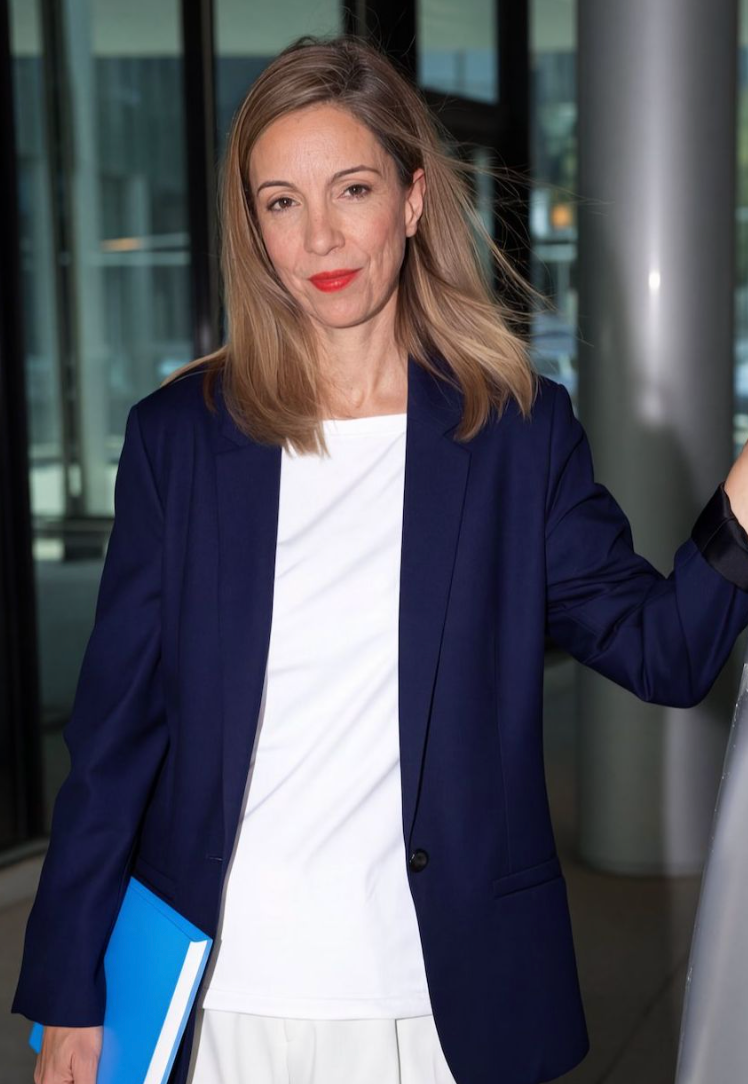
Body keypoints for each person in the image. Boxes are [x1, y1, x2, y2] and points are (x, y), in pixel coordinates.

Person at [12, 31, 748, 1084]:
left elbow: (664, 652)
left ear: (411, 197)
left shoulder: (514, 434)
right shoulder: (181, 438)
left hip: (433, 1003)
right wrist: (64, 987)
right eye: (280, 202)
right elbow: (116, 734)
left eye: (350, 189)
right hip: (225, 996)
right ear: (253, 227)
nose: (319, 234)